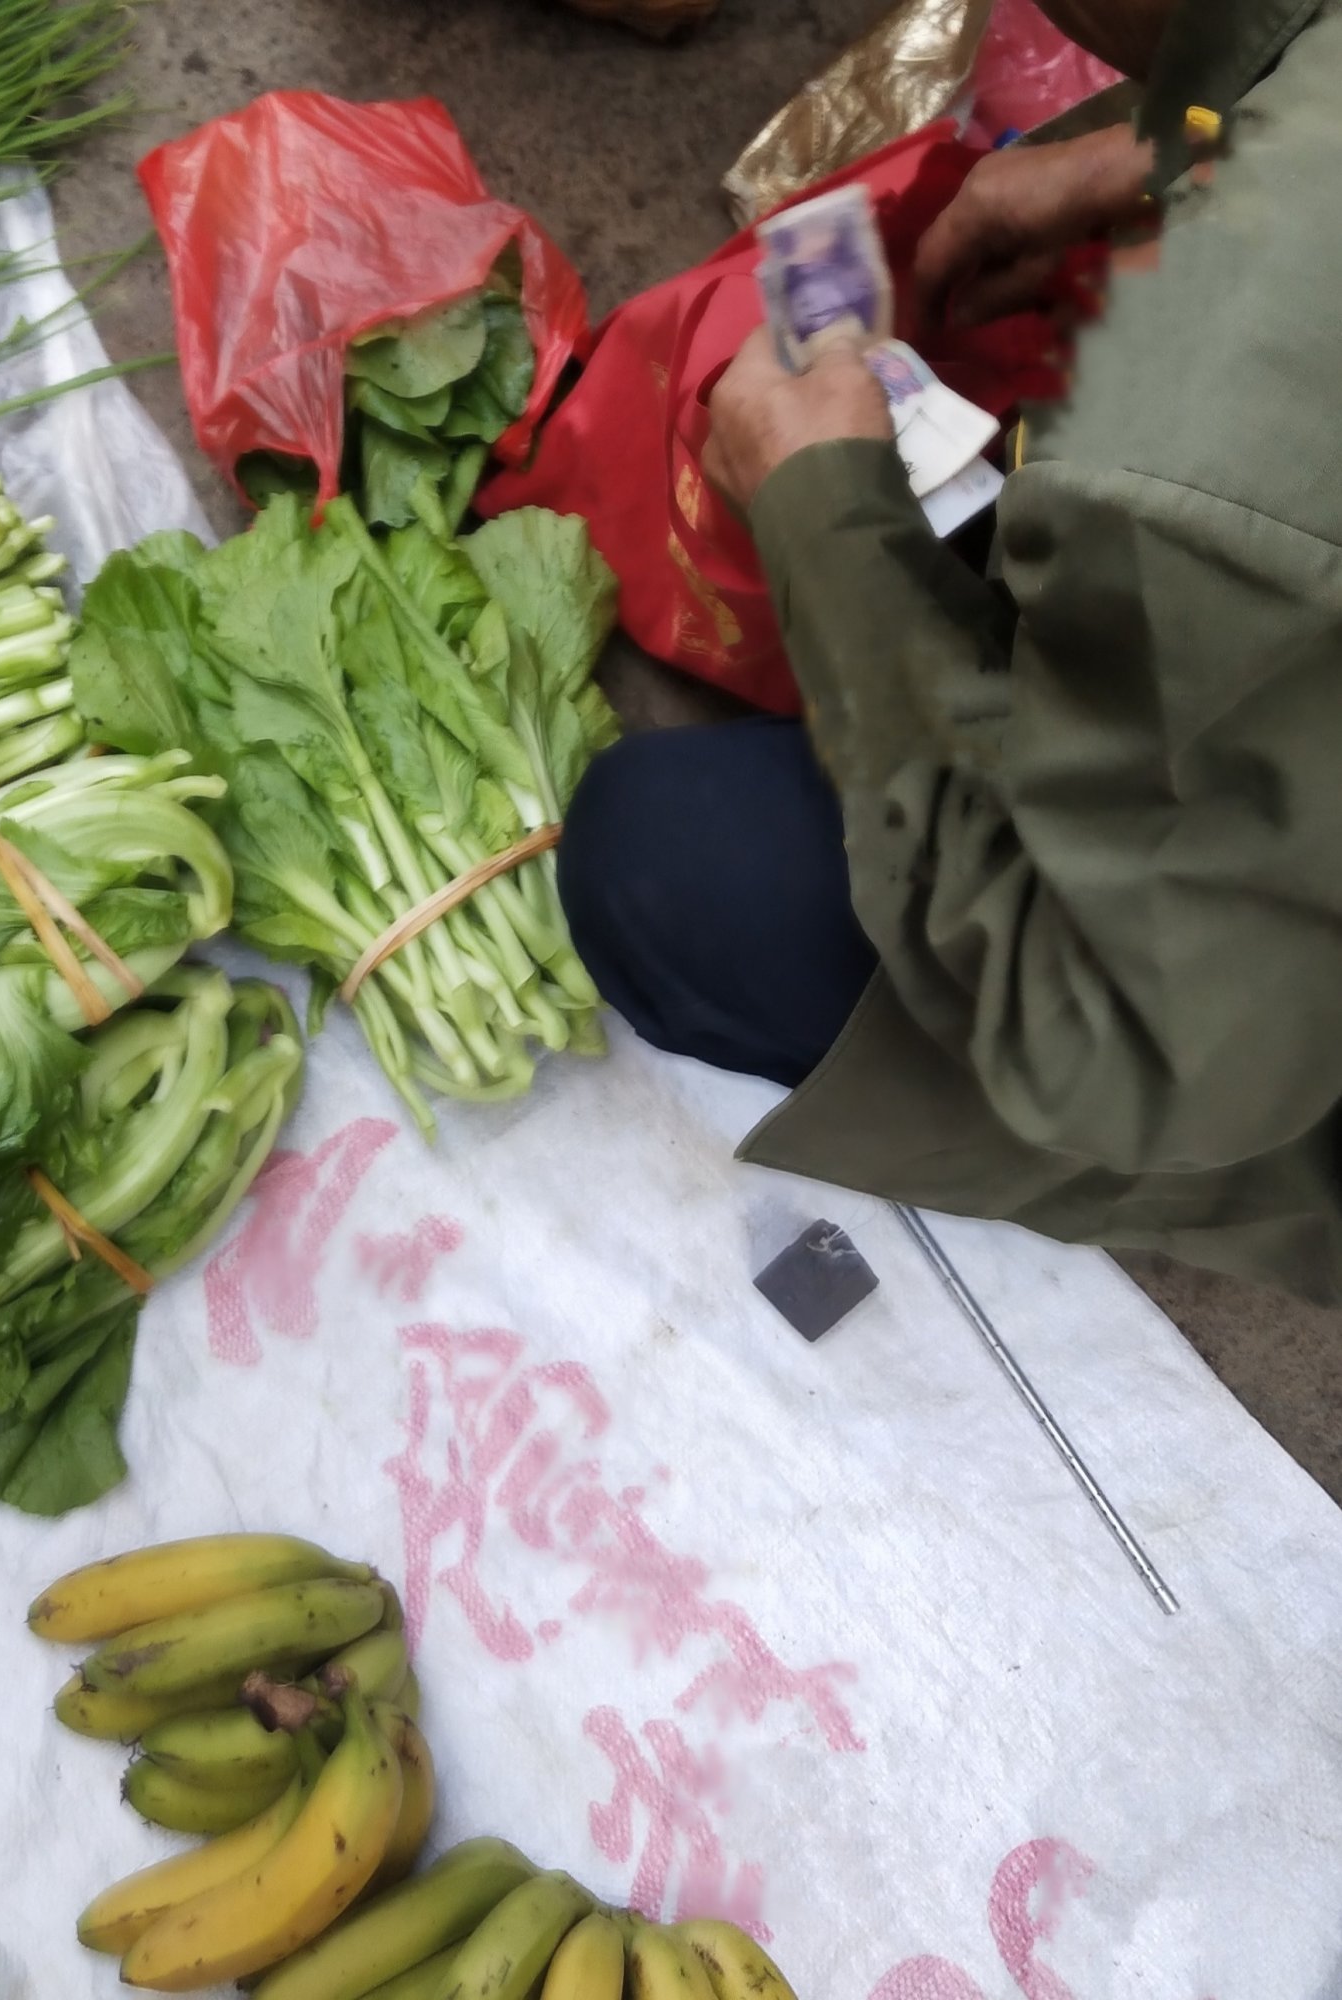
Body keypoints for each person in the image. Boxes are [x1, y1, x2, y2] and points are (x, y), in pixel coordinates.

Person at [558, 0, 1342, 1303]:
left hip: (1235, 1043)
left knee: (664, 861)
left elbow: (1105, 1030)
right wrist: (1195, 139)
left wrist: (823, 512)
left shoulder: (1193, 469)